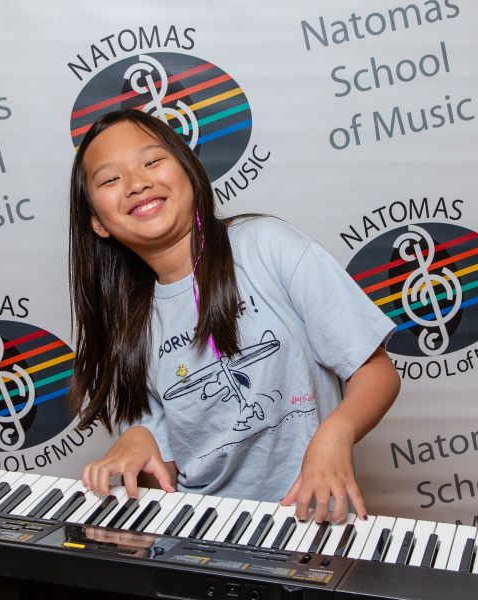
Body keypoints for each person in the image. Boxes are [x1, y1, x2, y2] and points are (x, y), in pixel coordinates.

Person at [67, 108, 399, 525]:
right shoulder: (130, 327)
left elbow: (377, 372)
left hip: (313, 520)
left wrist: (335, 435)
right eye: (111, 180)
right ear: (97, 222)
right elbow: (165, 472)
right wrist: (137, 444)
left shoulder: (268, 246)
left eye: (152, 161)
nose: (137, 183)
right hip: (202, 535)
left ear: (188, 171)